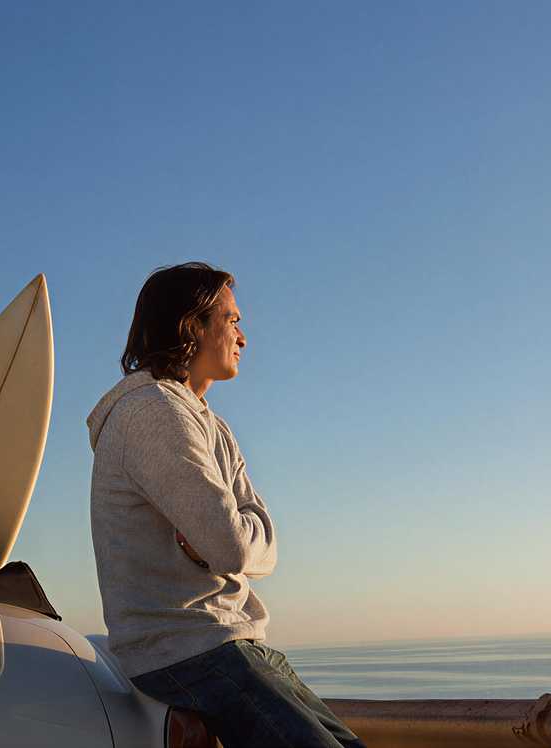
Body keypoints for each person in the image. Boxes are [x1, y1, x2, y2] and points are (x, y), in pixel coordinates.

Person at [87, 262, 366, 747]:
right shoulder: (153, 413)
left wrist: (225, 536)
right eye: (231, 320)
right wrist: (227, 537)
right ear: (192, 326)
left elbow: (260, 540)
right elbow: (235, 547)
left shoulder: (210, 426)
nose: (243, 336)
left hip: (230, 643)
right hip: (186, 651)